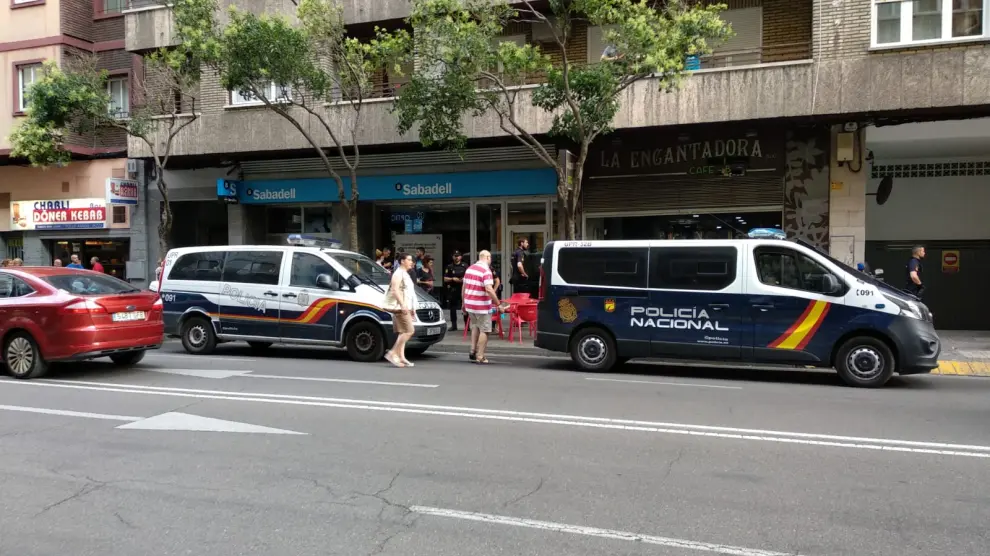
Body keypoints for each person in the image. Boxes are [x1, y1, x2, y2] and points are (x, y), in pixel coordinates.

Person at [463, 250, 501, 365]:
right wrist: (498, 304)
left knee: (475, 326)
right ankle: (480, 355)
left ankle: (472, 350)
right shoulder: (486, 270)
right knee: (485, 330)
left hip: (469, 303)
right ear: (488, 257)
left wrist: (463, 303)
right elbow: (489, 289)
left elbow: (464, 287)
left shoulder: (469, 268)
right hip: (481, 305)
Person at [384, 253, 417, 368]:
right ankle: (393, 353)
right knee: (409, 331)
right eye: (409, 259)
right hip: (401, 307)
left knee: (403, 331)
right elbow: (394, 290)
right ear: (402, 261)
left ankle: (401, 357)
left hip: (406, 306)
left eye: (411, 260)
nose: (411, 262)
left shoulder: (405, 274)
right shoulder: (398, 273)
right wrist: (403, 305)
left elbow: (409, 293)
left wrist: (413, 307)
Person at [443, 251, 468, 331]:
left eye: (458, 256)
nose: (456, 257)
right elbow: (445, 278)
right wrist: (453, 279)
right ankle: (454, 325)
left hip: (463, 288)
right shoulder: (449, 266)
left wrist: (463, 279)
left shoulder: (465, 266)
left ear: (461, 257)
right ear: (452, 257)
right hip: (453, 289)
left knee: (465, 307)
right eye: (455, 256)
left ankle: (467, 326)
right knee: (452, 308)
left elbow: (470, 276)